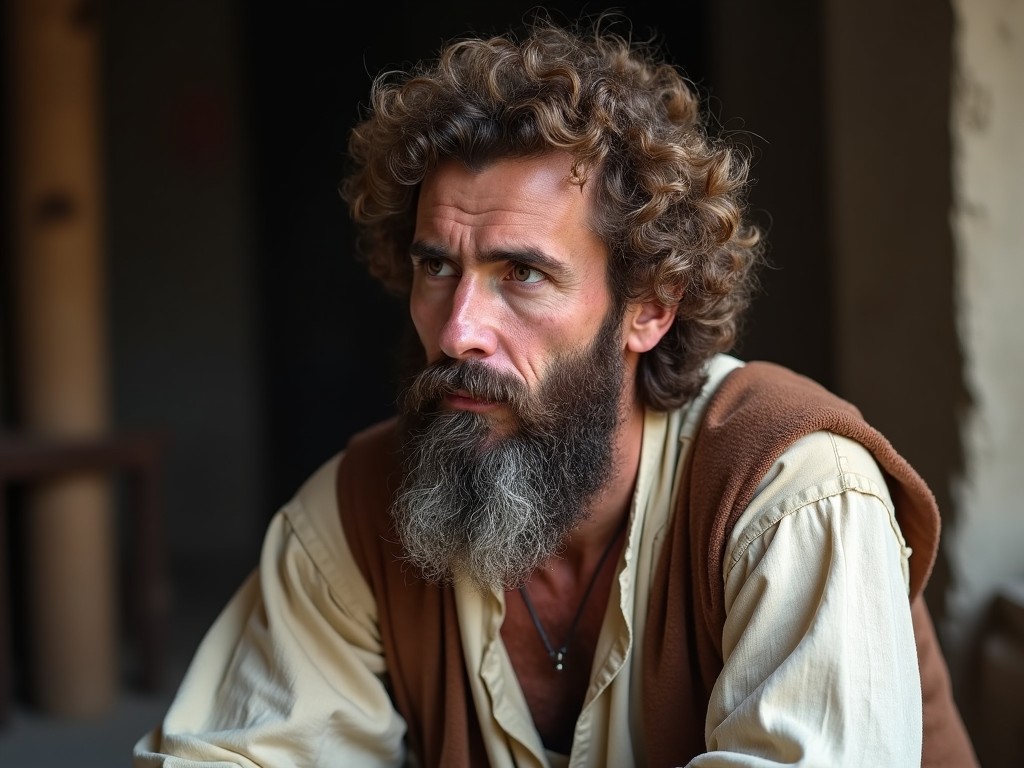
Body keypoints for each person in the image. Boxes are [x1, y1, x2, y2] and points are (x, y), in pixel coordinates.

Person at [134, 11, 977, 767]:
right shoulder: (356, 517)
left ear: (649, 306)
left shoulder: (794, 494)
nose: (458, 328)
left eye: (523, 274)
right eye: (437, 266)